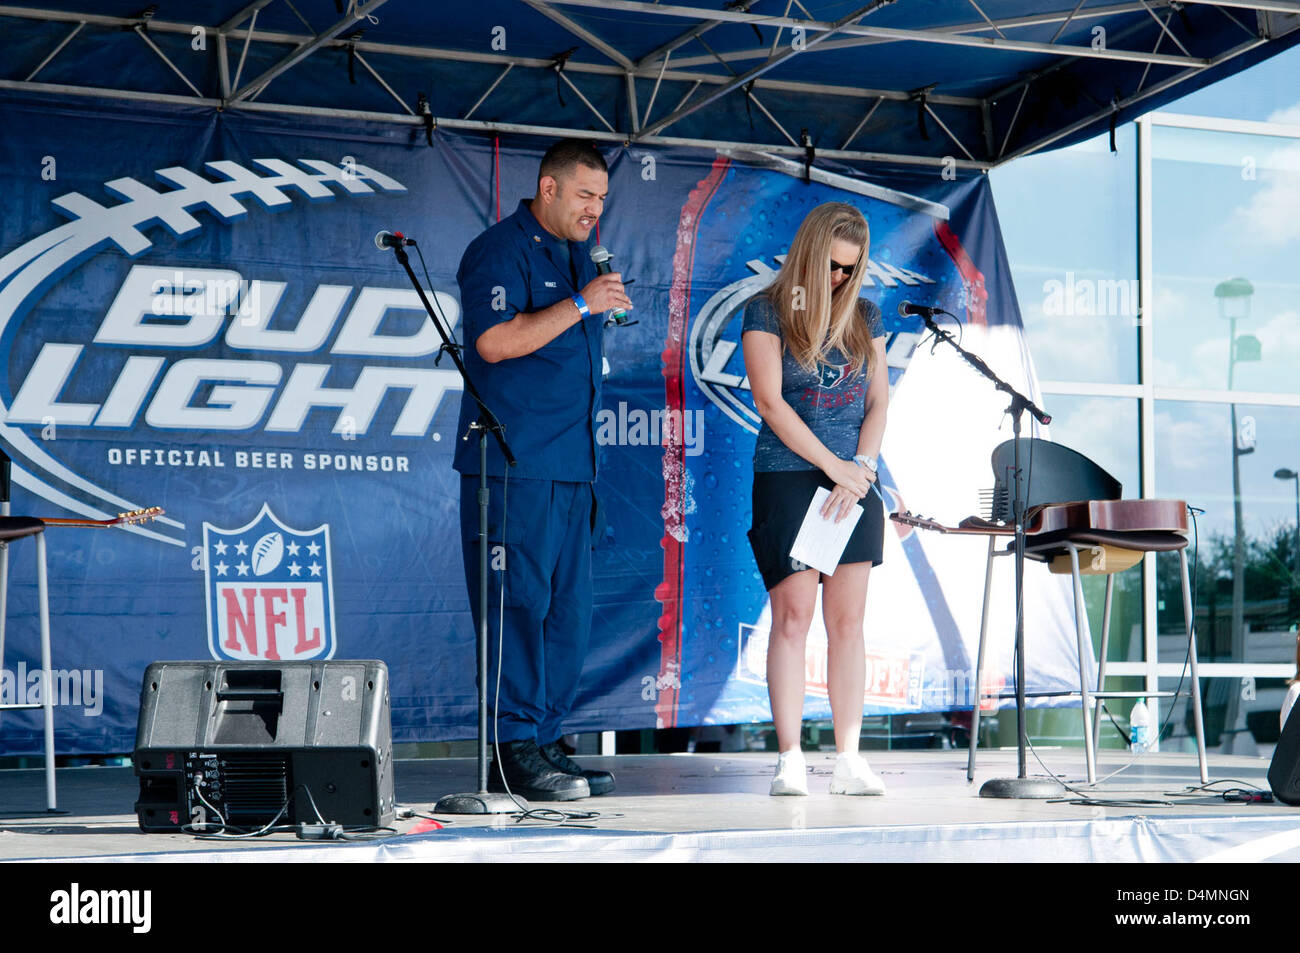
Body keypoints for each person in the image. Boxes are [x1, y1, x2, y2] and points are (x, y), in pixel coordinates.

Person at [453, 139, 632, 801]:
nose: (595, 210)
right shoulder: (500, 249)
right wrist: (582, 304)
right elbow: (494, 341)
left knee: (567, 614)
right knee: (517, 609)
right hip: (511, 466)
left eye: (603, 200)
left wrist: (589, 298)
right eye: (585, 195)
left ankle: (547, 736)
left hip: (572, 467)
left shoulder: (582, 255)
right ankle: (512, 746)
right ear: (548, 188)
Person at [741, 202, 889, 797]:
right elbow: (770, 403)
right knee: (793, 617)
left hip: (853, 481)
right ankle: (791, 759)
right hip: (789, 477)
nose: (837, 279)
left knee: (848, 623)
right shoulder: (766, 310)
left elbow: (878, 402)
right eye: (830, 265)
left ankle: (849, 760)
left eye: (850, 270)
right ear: (807, 252)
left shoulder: (867, 316)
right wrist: (833, 468)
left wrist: (863, 467)